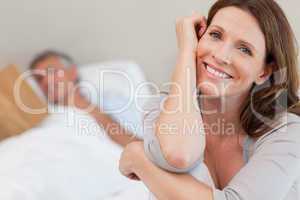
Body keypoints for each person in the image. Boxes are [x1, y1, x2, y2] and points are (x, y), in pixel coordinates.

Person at [119, 0, 300, 199]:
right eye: (215, 35)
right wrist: (186, 51)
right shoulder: (162, 107)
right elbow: (178, 154)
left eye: (244, 49)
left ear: (264, 72)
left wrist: (139, 159)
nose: (221, 55)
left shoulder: (287, 131)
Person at [30, 50, 138, 147]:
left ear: (72, 72)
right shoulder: (44, 119)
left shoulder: (114, 103)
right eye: (39, 78)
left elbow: (143, 149)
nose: (45, 81)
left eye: (52, 72)